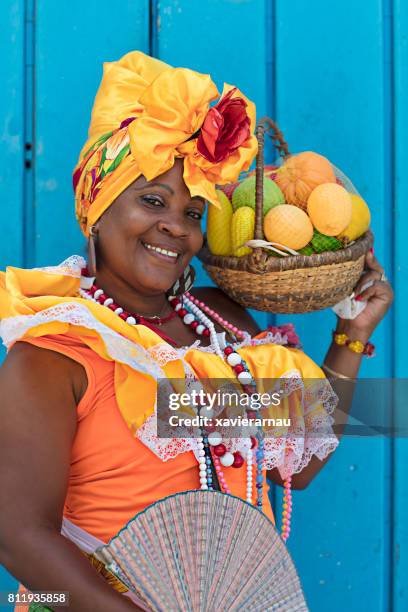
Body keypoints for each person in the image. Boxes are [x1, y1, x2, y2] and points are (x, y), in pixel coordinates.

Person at [0, 51, 393, 611]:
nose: (175, 227)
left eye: (192, 213)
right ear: (97, 209)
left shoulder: (221, 327)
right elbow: (20, 540)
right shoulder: (55, 354)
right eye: (152, 201)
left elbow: (298, 467)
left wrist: (351, 336)